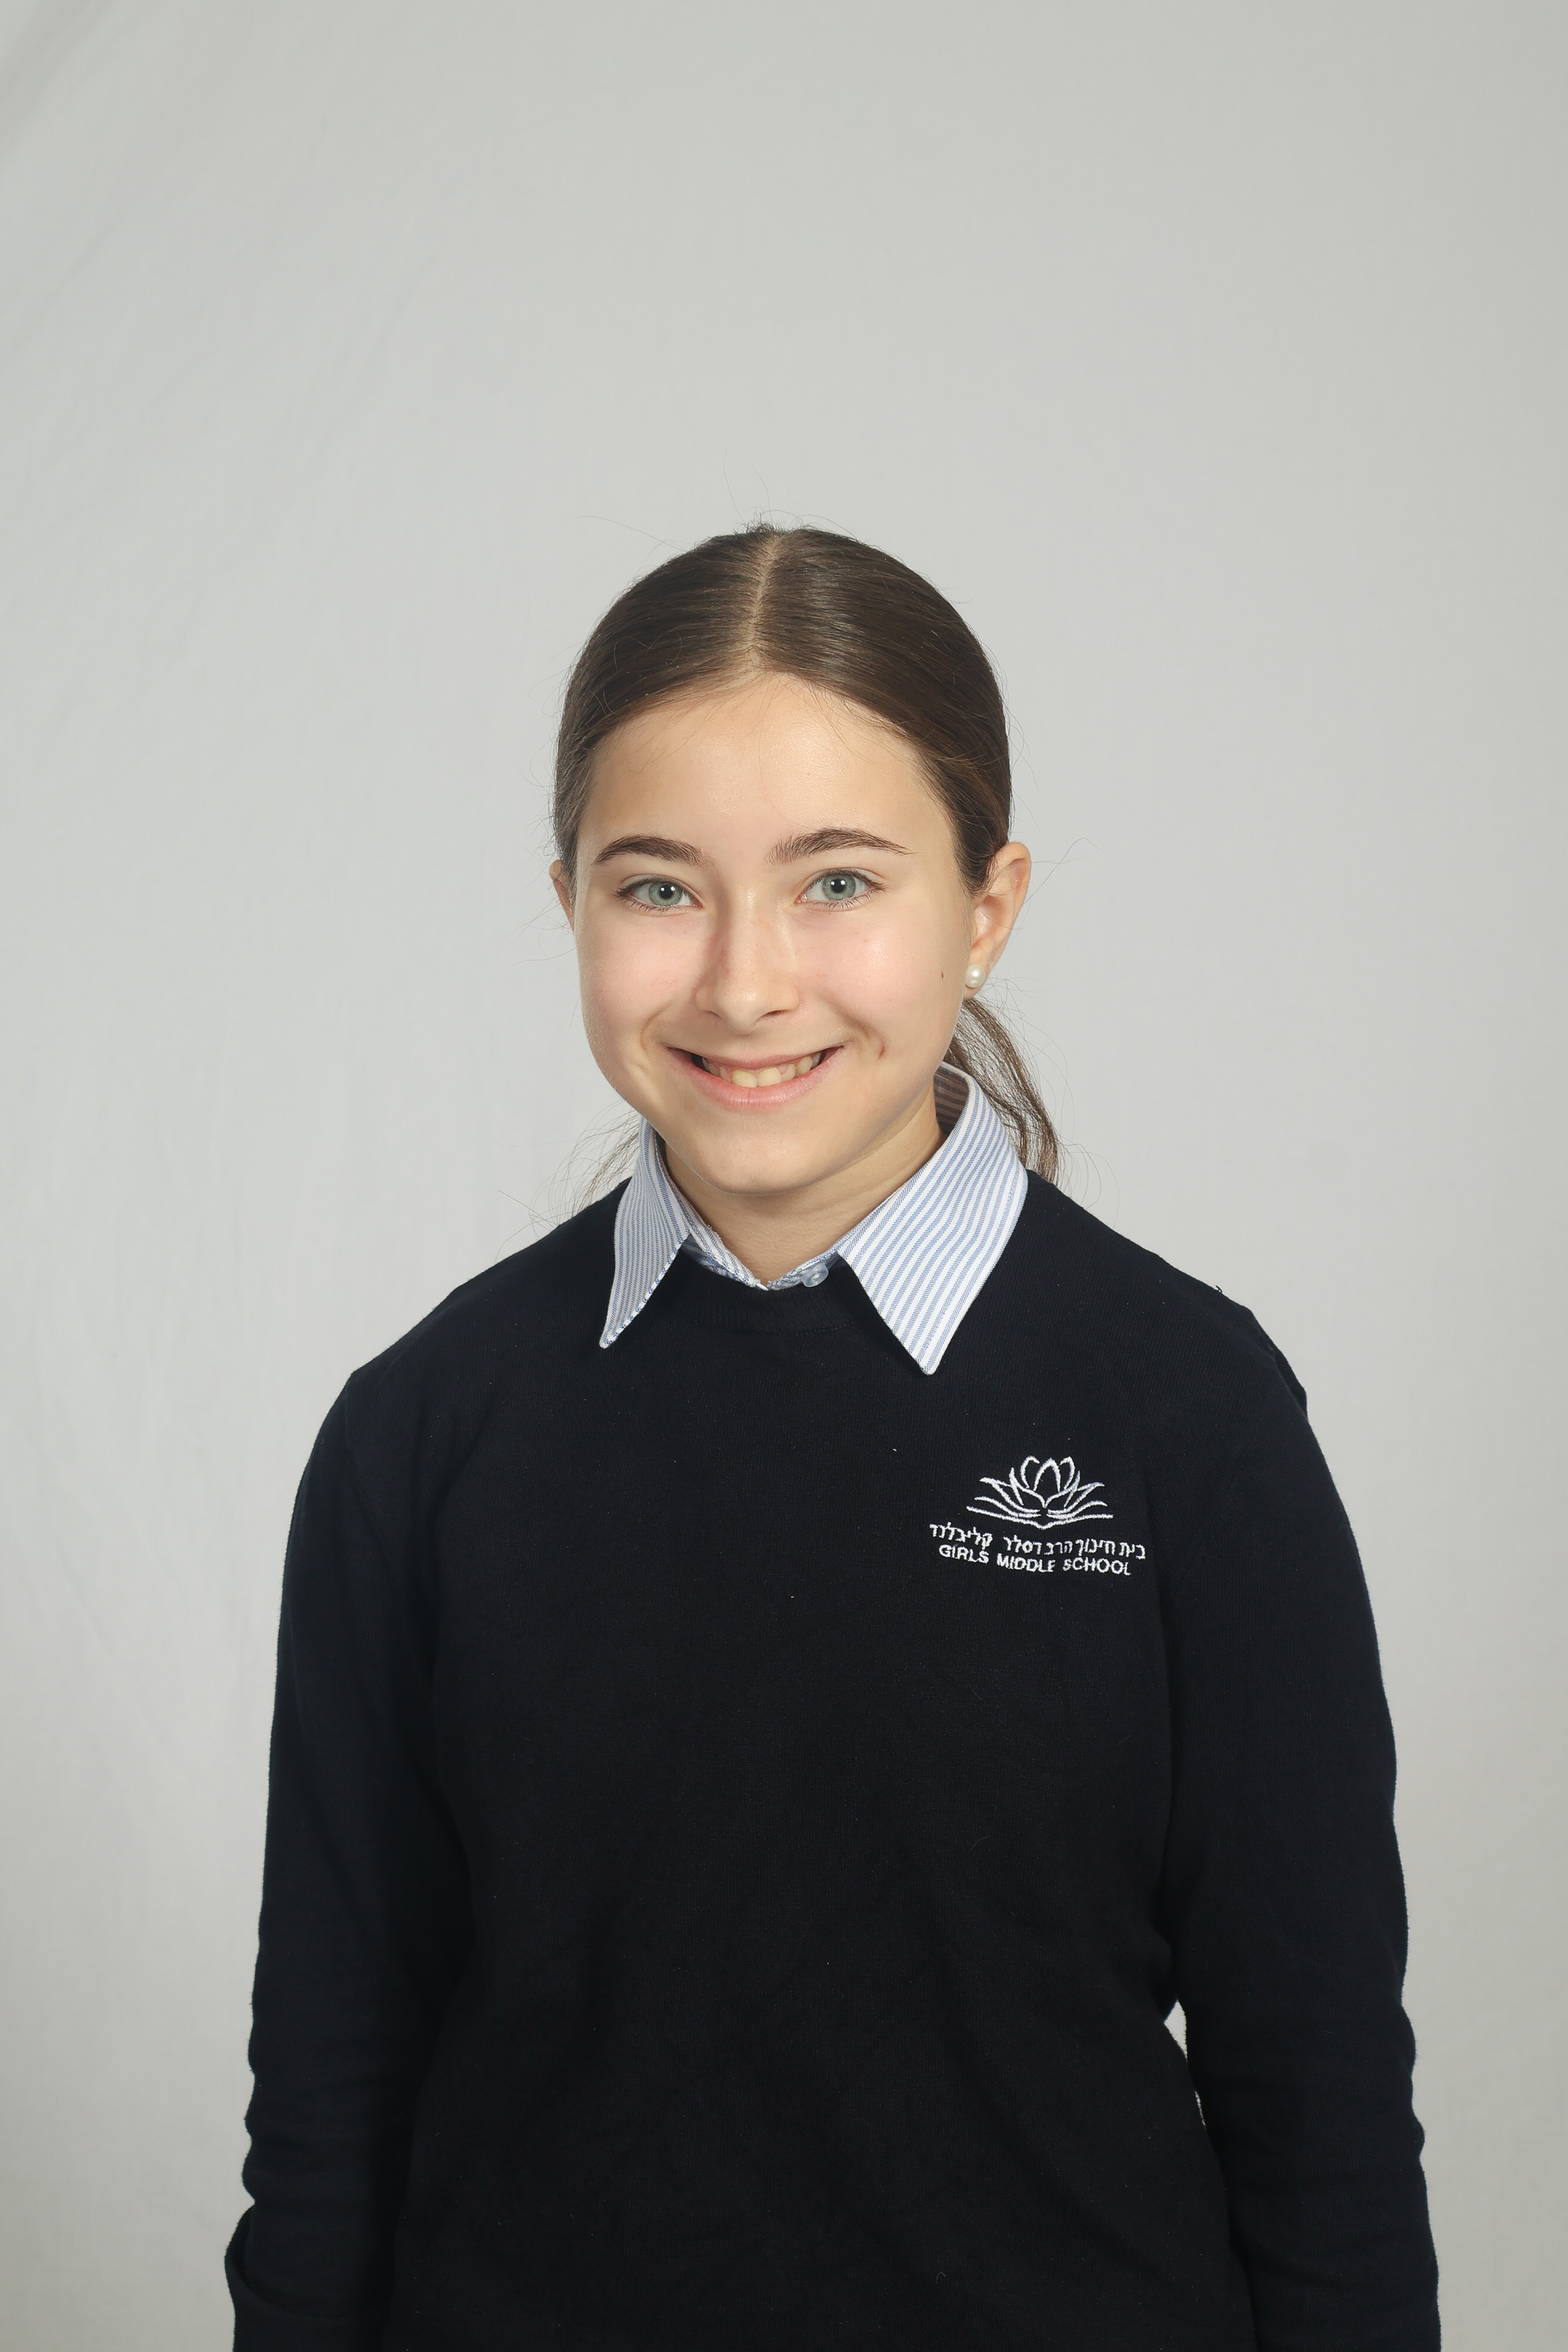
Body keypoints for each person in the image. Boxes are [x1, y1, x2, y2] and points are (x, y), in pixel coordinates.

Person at [228, 526, 1440, 2351]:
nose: (745, 982)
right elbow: (329, 2109)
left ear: (989, 904)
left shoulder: (1192, 1417)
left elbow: (1321, 2105)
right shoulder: (425, 1434)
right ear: (568, 900)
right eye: (659, 887)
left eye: (839, 882)